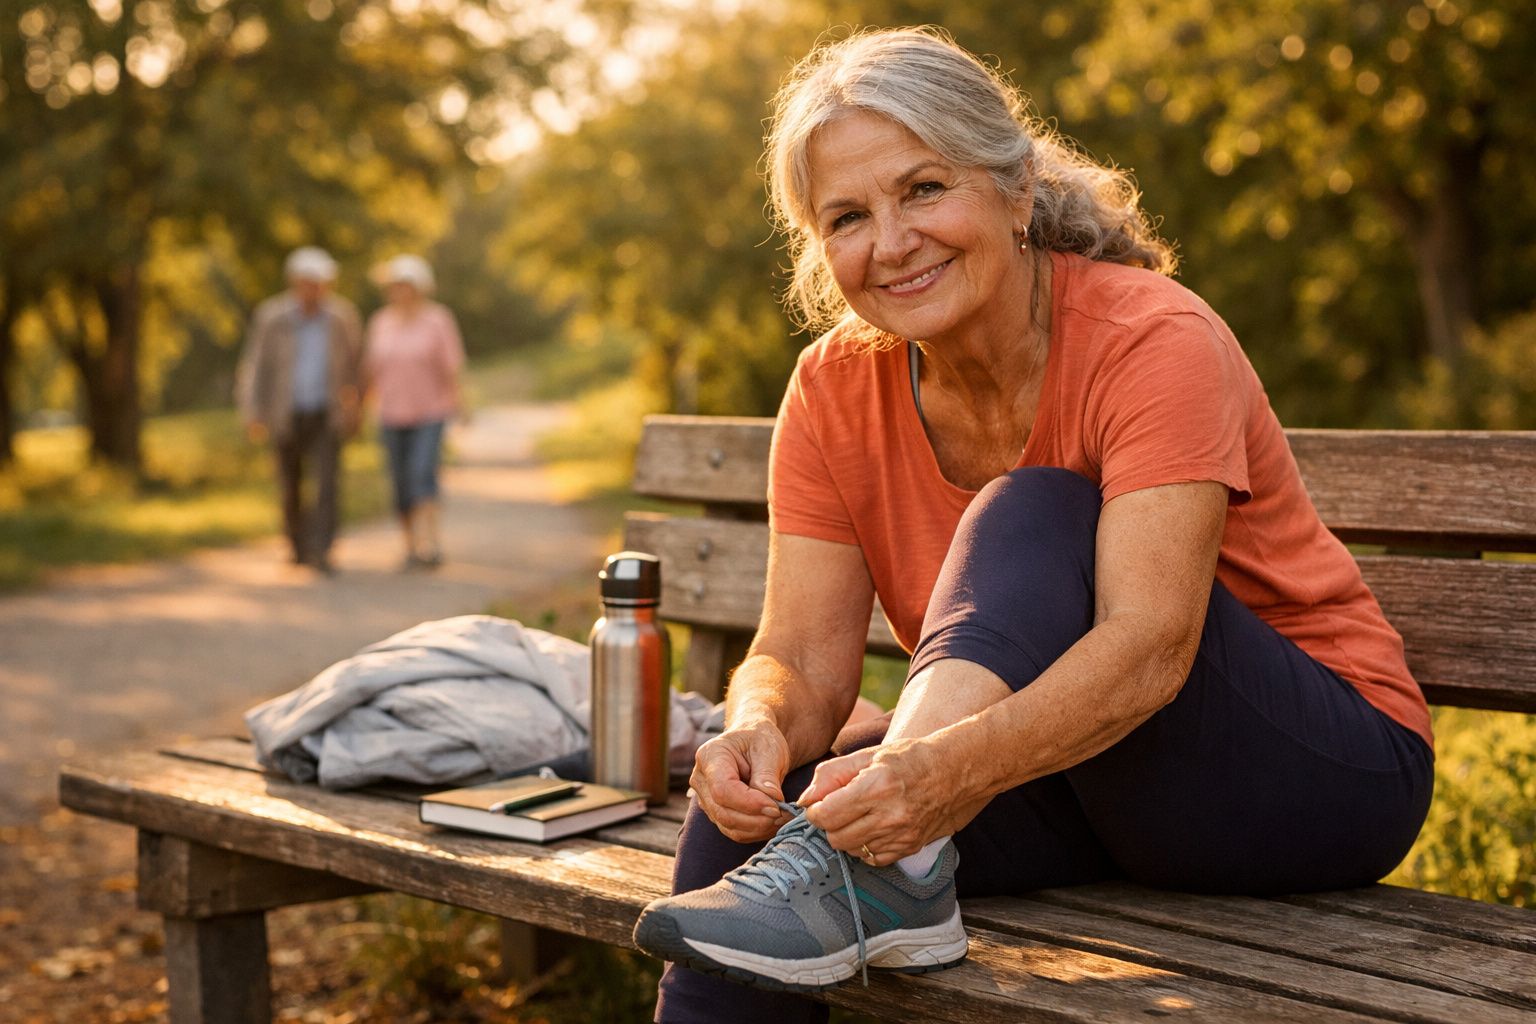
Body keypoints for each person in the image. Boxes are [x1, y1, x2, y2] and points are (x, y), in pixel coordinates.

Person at [632, 27, 1434, 1022]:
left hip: (1315, 773)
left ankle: (907, 855)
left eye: (924, 189)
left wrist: (923, 780)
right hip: (1077, 774)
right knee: (763, 828)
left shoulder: (1152, 337)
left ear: (1015, 191)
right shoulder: (833, 388)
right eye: (848, 216)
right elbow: (799, 653)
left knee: (1036, 505)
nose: (890, 242)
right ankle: (881, 862)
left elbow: (1151, 651)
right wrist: (753, 725)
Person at [236, 246, 363, 574]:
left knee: (326, 483)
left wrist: (356, 406)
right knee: (290, 483)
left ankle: (323, 549)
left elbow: (355, 365)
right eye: (310, 283)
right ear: (295, 282)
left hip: (326, 411)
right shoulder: (273, 317)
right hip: (286, 411)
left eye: (322, 283)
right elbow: (256, 365)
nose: (316, 290)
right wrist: (253, 410)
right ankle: (297, 545)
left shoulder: (341, 317)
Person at [363, 254, 465, 570]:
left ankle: (430, 544)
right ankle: (409, 546)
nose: (401, 292)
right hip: (391, 413)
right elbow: (371, 370)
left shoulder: (438, 319)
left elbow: (452, 366)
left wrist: (462, 404)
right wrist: (360, 407)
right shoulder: (380, 322)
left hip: (430, 412)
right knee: (400, 483)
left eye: (406, 285)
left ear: (420, 288)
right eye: (396, 286)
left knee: (423, 474)